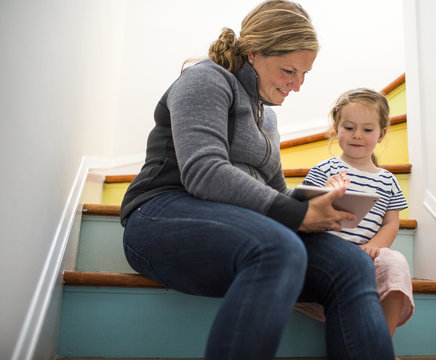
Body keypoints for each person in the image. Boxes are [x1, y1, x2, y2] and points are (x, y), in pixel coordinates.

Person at [120, 1, 394, 359]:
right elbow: (204, 171)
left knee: (353, 264)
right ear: (253, 53)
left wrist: (313, 205)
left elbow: (275, 193)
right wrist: (294, 213)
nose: (296, 86)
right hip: (160, 215)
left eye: (304, 74)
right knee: (278, 246)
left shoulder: (267, 118)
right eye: (288, 71)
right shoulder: (204, 78)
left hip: (239, 227)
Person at [297, 88, 415, 338]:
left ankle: (382, 341)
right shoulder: (324, 170)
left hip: (367, 253)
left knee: (396, 262)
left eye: (367, 130)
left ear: (381, 134)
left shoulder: (388, 180)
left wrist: (375, 246)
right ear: (336, 129)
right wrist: (325, 195)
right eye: (349, 127)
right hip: (327, 252)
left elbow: (391, 223)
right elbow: (302, 211)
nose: (357, 136)